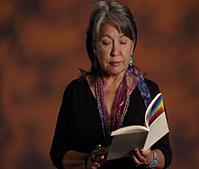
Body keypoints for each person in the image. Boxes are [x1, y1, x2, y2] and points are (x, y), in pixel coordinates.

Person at [50, 0, 172, 168]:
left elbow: (165, 152)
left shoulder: (149, 92)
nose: (115, 52)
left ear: (132, 45)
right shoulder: (76, 91)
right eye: (106, 43)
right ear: (94, 47)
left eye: (123, 42)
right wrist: (86, 162)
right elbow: (57, 152)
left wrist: (151, 159)